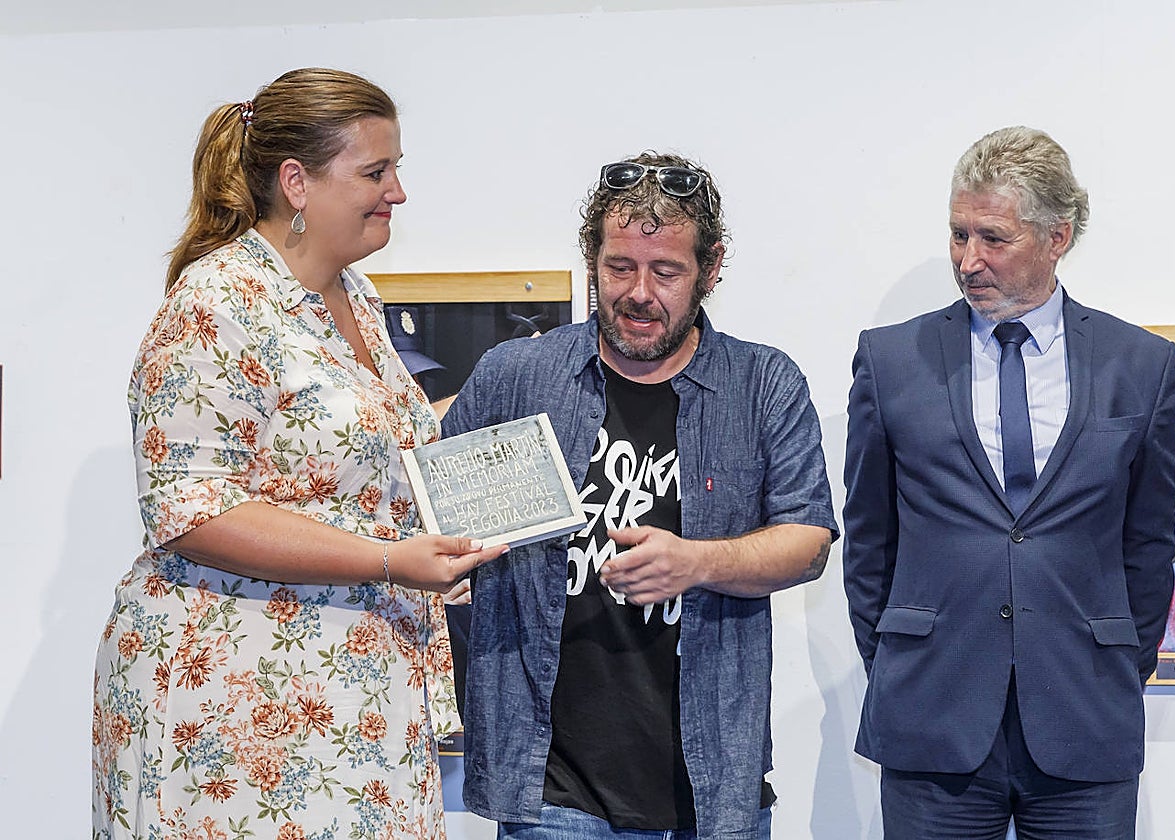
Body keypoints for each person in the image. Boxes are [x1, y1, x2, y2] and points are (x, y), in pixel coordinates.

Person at [91, 67, 506, 840]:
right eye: (375, 172)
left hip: (352, 692)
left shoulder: (357, 297)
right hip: (236, 707)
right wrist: (389, 560)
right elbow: (188, 511)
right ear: (297, 182)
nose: (398, 193)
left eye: (396, 170)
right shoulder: (215, 305)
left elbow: (364, 455)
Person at [442, 152, 839, 839]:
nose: (638, 293)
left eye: (667, 272)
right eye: (620, 267)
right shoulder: (516, 375)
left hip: (712, 785)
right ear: (592, 261)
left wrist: (698, 563)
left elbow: (807, 544)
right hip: (550, 789)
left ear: (710, 269)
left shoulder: (763, 384)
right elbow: (434, 513)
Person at [842, 126, 1175, 838]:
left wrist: (1118, 660)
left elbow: (1148, 545)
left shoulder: (1141, 363)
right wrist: (904, 659)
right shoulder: (892, 359)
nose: (969, 260)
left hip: (1084, 720)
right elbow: (869, 540)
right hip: (932, 719)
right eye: (959, 235)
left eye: (993, 238)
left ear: (1057, 237)